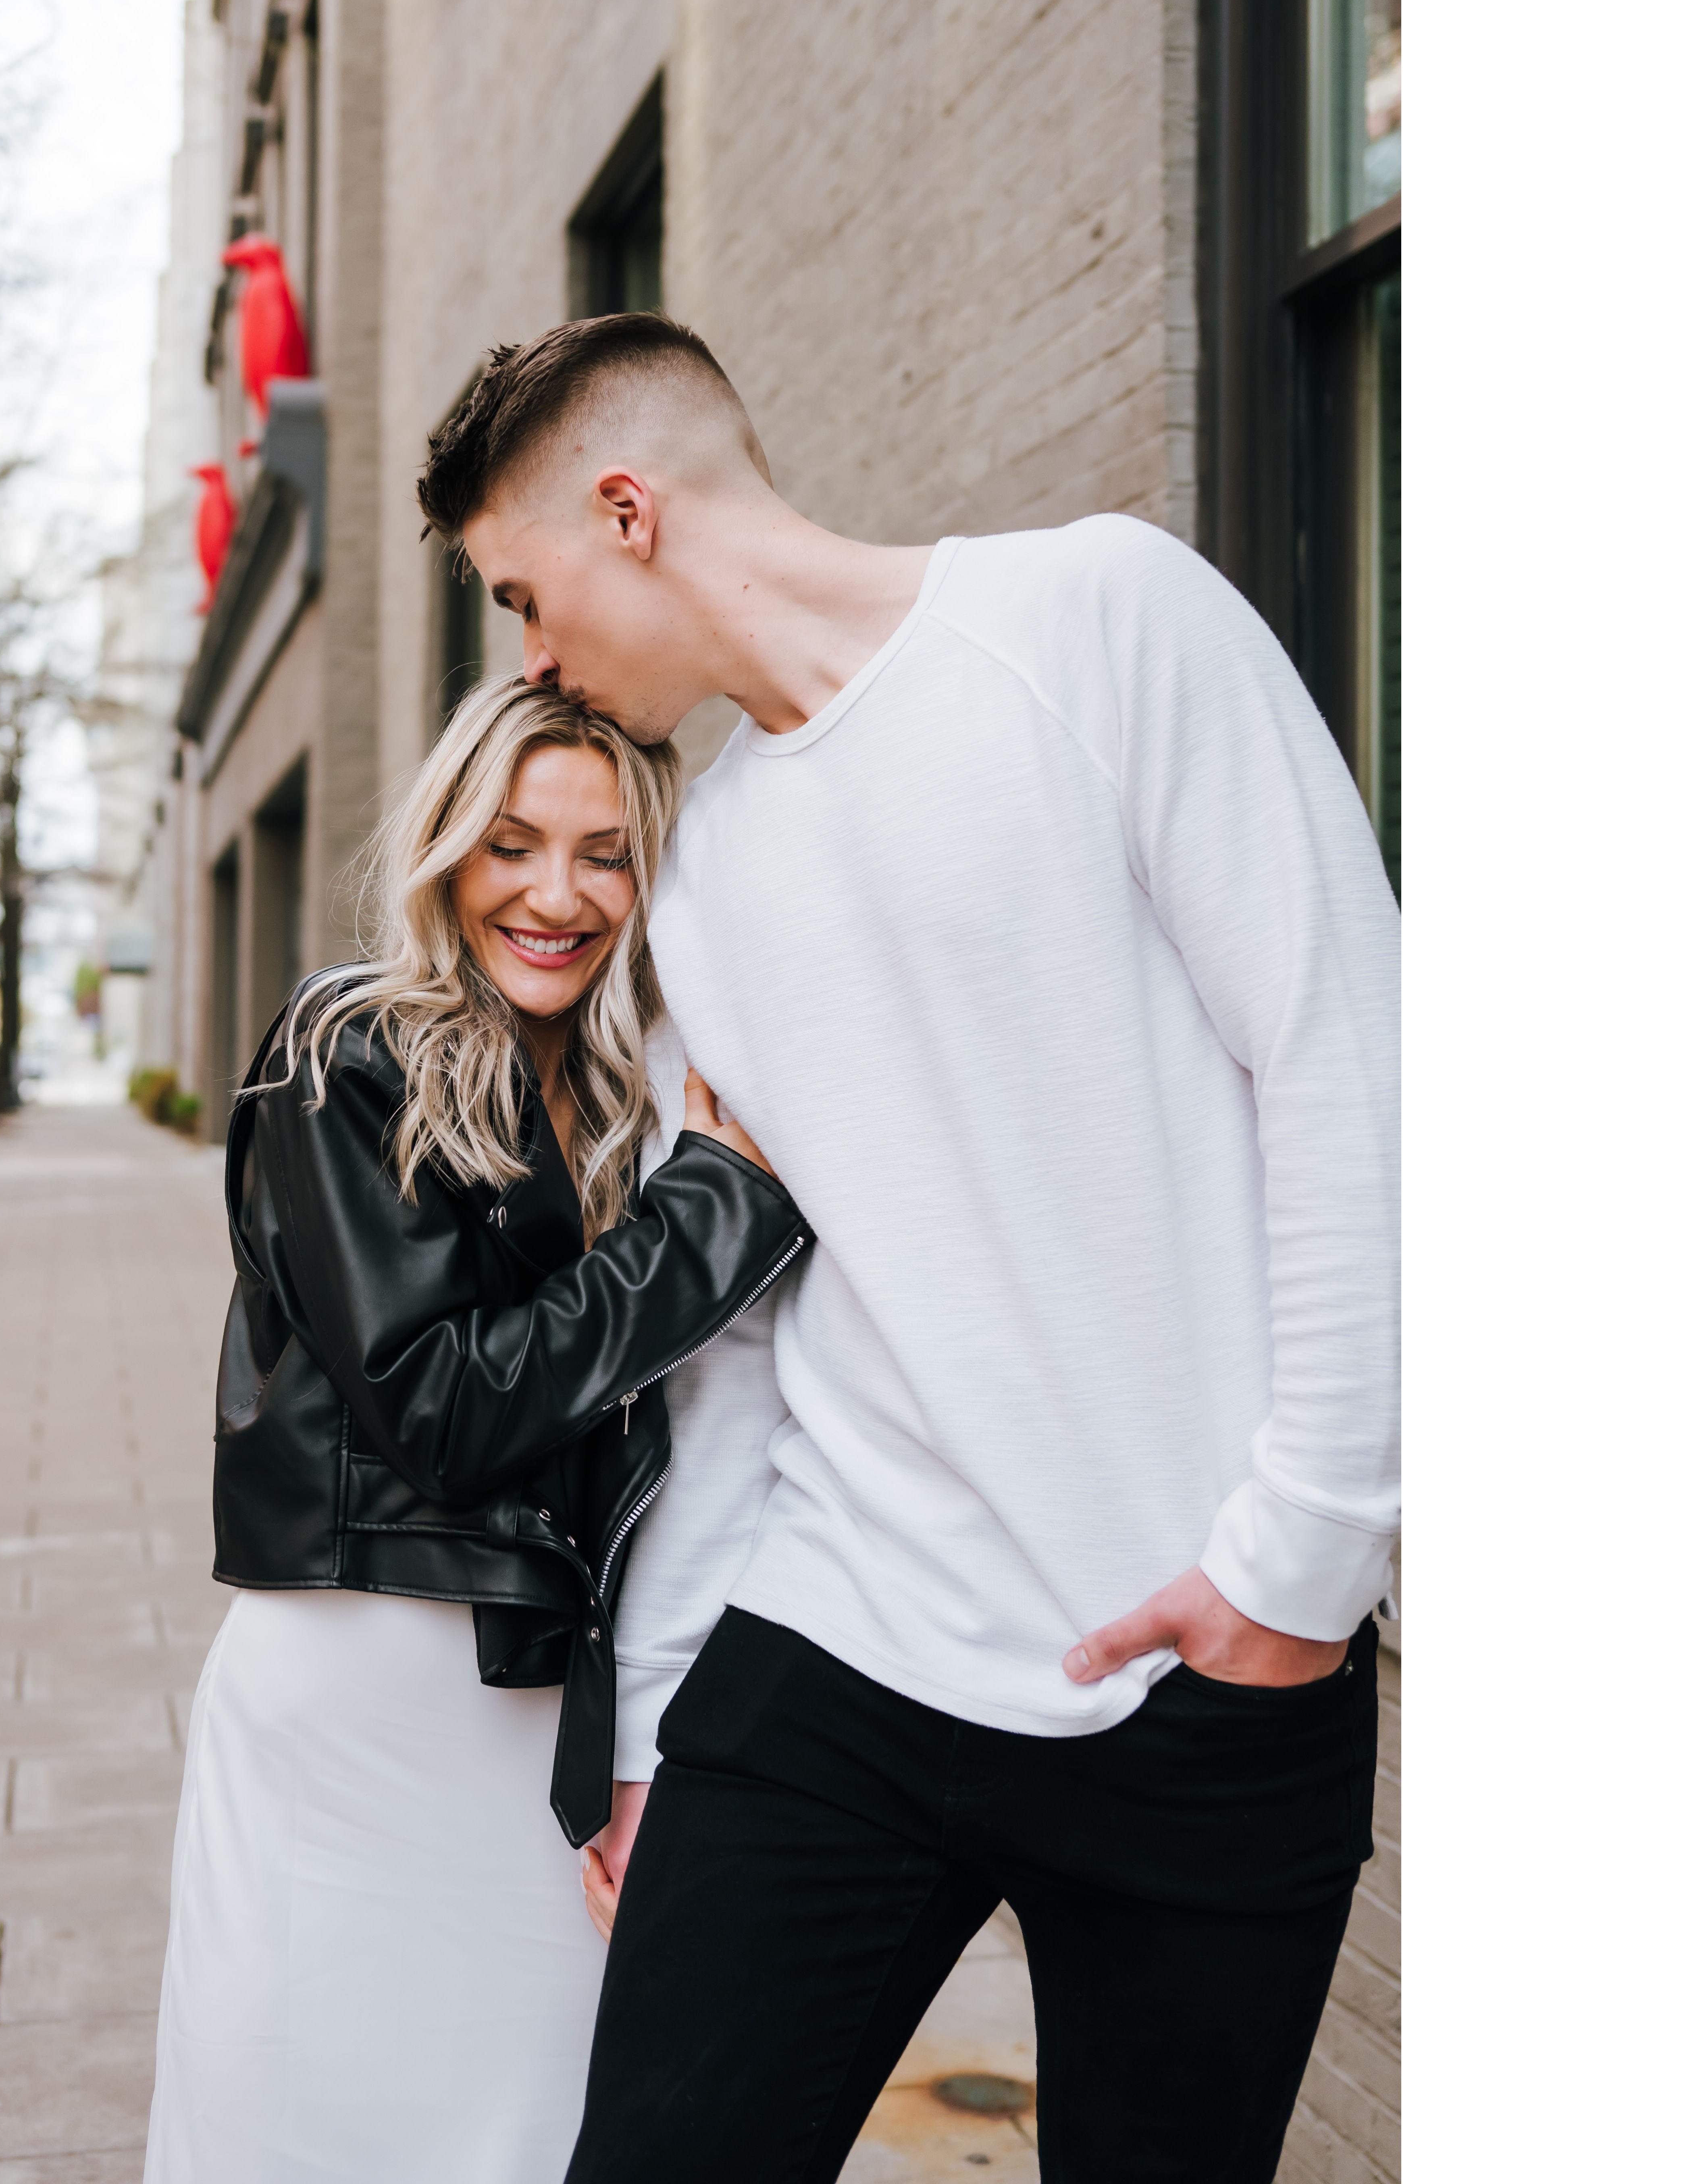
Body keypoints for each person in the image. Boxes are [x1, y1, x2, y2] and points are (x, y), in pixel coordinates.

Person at [415, 312, 1402, 2184]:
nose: (532, 659)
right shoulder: (702, 877)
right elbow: (739, 1349)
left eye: (523, 597)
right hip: (840, 1652)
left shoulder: (1102, 621)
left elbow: (1349, 1072)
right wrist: (656, 1723)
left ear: (627, 509)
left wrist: (1301, 1568)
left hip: (1197, 1666)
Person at [140, 674, 809, 2184]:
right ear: (448, 847)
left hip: (542, 1720)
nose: (556, 897)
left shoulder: (629, 1088)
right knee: (302, 2131)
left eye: (605, 855)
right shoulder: (347, 1051)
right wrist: (708, 1221)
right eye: (514, 845)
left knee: (523, 2133)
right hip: (356, 1691)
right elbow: (446, 1407)